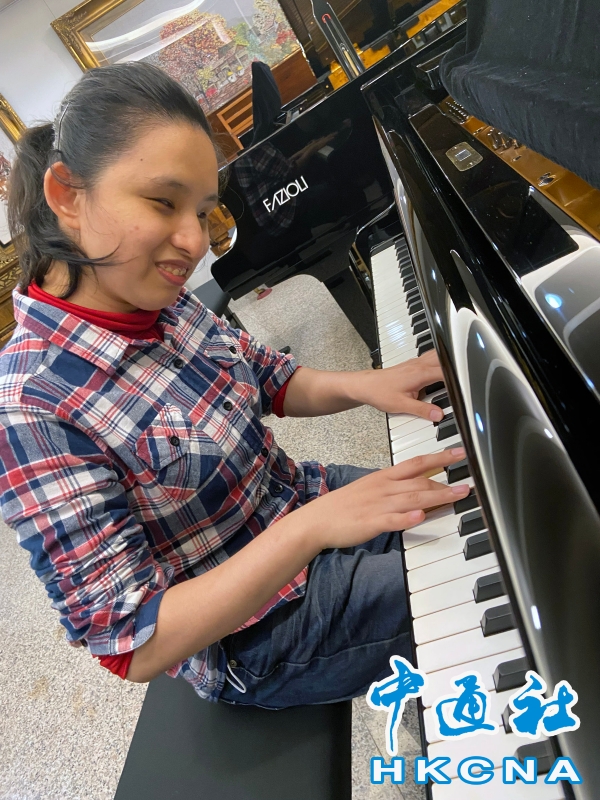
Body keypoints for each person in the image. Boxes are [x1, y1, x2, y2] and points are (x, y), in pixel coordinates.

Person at [0, 62, 469, 708]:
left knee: (477, 506)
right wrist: (309, 532)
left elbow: (269, 378)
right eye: (163, 203)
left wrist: (370, 384)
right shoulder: (30, 404)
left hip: (298, 501)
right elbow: (131, 642)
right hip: (259, 635)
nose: (195, 241)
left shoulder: (157, 297)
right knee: (490, 573)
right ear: (67, 194)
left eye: (203, 211)